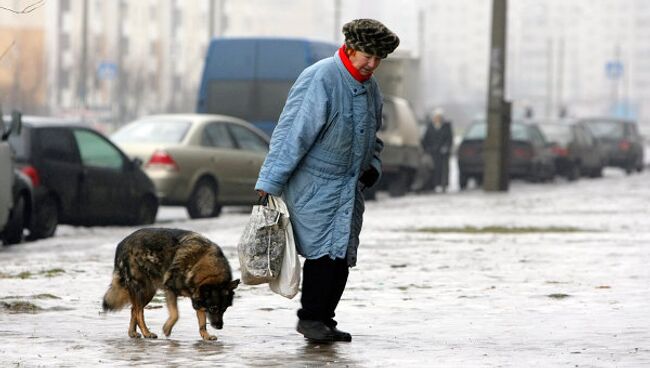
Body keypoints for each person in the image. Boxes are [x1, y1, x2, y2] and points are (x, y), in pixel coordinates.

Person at [254, 19, 399, 343]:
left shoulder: (371, 88)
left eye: (379, 59)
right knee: (322, 254)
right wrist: (269, 182)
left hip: (349, 186)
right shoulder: (321, 77)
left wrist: (373, 165)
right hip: (315, 184)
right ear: (350, 48)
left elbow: (374, 136)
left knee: (341, 256)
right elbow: (293, 134)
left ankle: (325, 319)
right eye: (367, 56)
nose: (372, 64)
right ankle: (310, 319)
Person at [421, 108, 453, 192]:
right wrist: (427, 149)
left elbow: (449, 139)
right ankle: (434, 185)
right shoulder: (430, 127)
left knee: (444, 170)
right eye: (436, 117)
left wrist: (446, 147)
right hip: (433, 152)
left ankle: (443, 185)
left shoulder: (446, 126)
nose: (437, 119)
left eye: (439, 117)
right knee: (433, 169)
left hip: (443, 153)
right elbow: (425, 140)